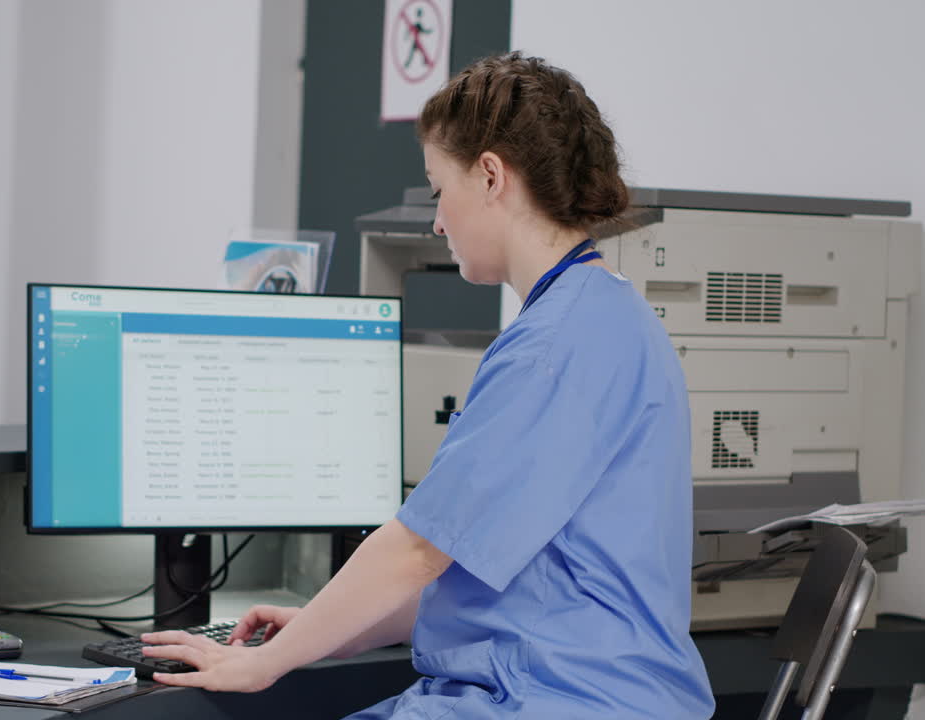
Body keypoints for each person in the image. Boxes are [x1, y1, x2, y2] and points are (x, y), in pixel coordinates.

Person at [139, 51, 716, 718]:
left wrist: (263, 663)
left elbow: (418, 549)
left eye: (440, 190)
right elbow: (505, 578)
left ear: (492, 175)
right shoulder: (609, 315)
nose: (438, 221)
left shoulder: (551, 349)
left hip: (551, 700)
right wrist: (328, 627)